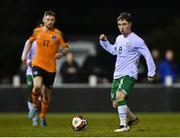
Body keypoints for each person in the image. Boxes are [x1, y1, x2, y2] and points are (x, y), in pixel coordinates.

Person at [99, 12, 156, 132]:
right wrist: (104, 41)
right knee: (116, 102)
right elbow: (113, 51)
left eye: (124, 24)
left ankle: (123, 126)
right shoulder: (119, 38)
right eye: (119, 24)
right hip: (117, 75)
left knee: (120, 96)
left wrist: (151, 73)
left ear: (130, 24)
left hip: (129, 74)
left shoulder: (137, 40)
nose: (121, 27)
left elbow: (148, 55)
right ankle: (133, 119)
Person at [21, 10, 70, 127]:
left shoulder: (59, 34)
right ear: (43, 20)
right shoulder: (36, 31)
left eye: (52, 20)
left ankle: (43, 117)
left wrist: (62, 54)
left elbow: (67, 48)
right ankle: (33, 106)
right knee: (37, 86)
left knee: (46, 96)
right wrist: (24, 56)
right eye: (47, 19)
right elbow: (29, 42)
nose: (49, 22)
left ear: (55, 21)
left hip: (51, 68)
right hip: (37, 64)